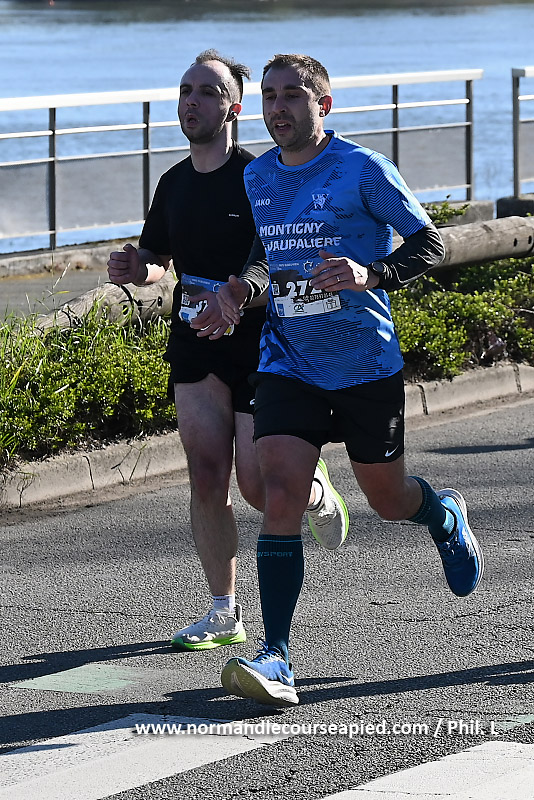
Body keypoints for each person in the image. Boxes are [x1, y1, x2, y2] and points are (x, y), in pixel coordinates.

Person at [218, 53, 484, 706]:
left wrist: (373, 274)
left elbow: (429, 243)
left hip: (365, 363)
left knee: (388, 500)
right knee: (281, 491)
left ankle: (443, 514)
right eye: (269, 96)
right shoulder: (257, 175)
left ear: (324, 105)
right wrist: (242, 289)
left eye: (292, 95)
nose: (277, 107)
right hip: (288, 361)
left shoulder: (363, 168)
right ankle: (276, 656)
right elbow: (265, 254)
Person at [107, 50, 348, 653]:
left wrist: (239, 296)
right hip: (194, 342)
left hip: (259, 345)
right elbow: (161, 260)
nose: (191, 101)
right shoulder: (172, 183)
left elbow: (277, 256)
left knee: (256, 487)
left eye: (208, 92)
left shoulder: (260, 177)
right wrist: (139, 267)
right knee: (206, 475)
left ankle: (314, 487)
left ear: (234, 109)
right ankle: (224, 610)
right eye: (185, 90)